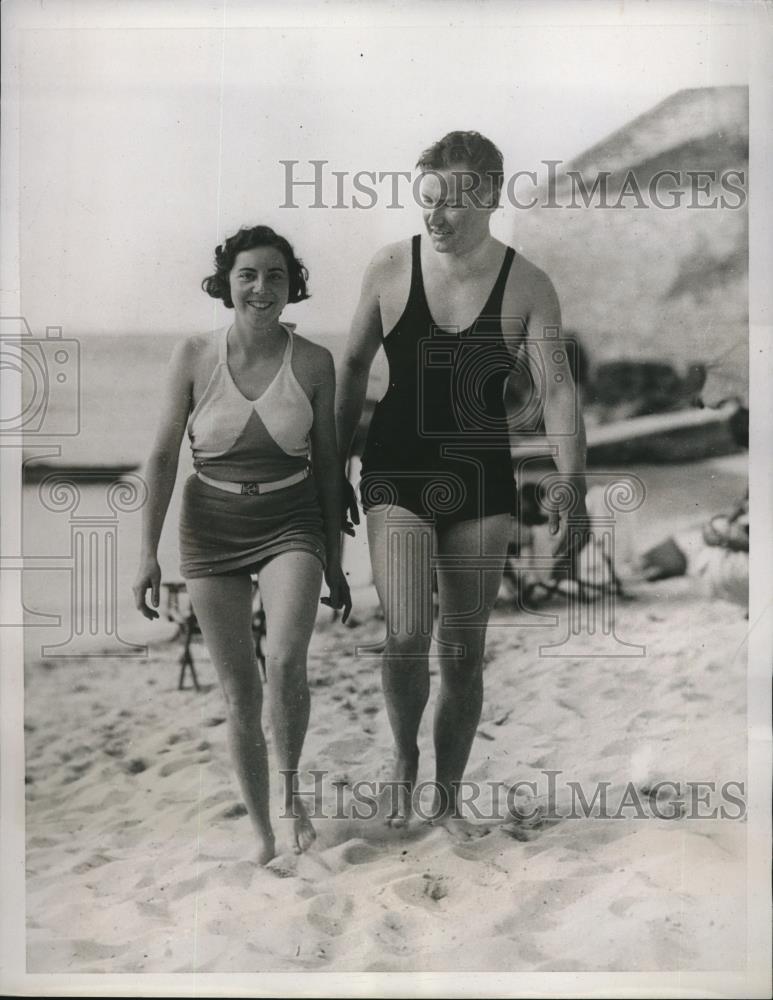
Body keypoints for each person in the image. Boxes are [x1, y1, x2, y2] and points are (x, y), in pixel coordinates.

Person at [336, 131, 587, 834]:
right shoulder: (389, 268)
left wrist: (572, 488)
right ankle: (401, 763)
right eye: (428, 200)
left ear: (489, 197)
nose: (436, 216)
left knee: (463, 651)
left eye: (452, 200)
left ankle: (445, 797)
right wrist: (331, 469)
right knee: (409, 629)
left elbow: (559, 394)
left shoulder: (528, 284)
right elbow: (352, 368)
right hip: (395, 467)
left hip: (480, 474)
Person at [133, 225, 350, 864]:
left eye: (276, 276)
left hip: (293, 521)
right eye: (248, 274)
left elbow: (333, 462)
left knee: (284, 660)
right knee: (240, 692)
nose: (262, 287)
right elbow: (162, 454)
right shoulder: (193, 356)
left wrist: (335, 560)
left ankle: (289, 794)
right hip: (210, 528)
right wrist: (146, 552)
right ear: (227, 283)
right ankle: (261, 833)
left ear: (293, 285)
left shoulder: (314, 362)